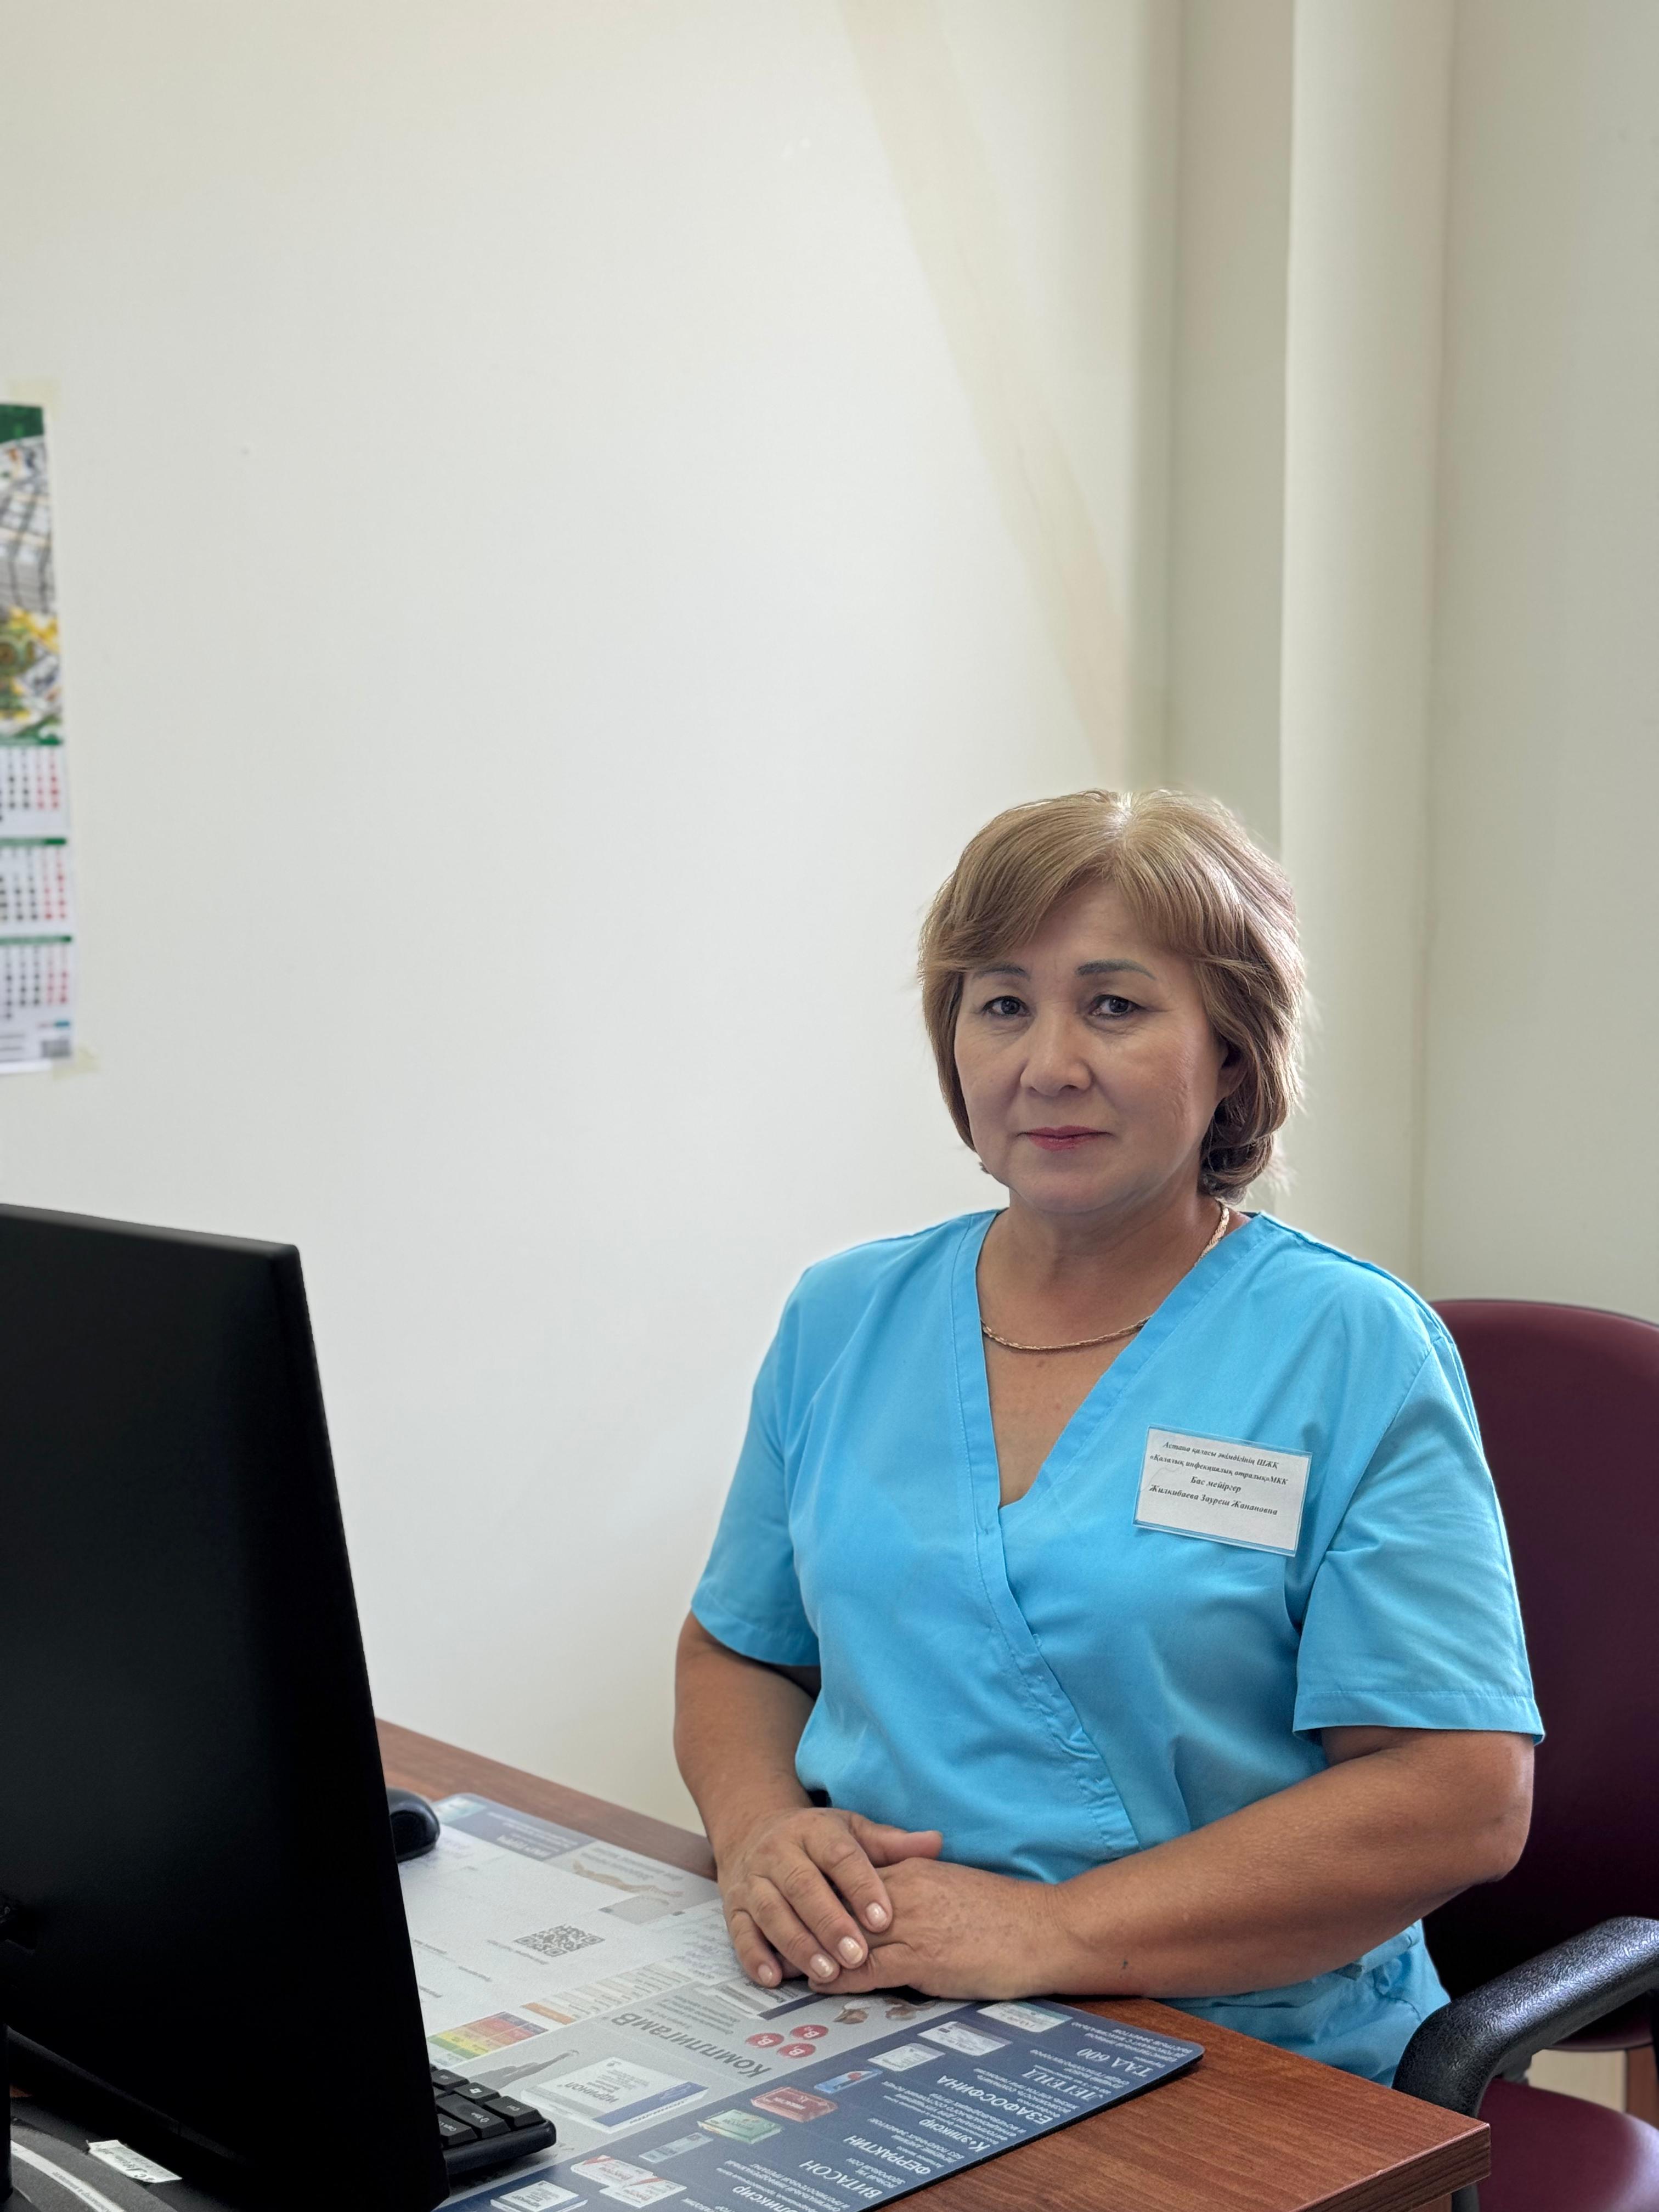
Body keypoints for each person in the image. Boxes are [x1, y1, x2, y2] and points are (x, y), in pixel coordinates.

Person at [674, 788, 1539, 2083]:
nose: (1049, 1065)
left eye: (1116, 1006)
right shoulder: (844, 1315)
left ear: (1232, 1052)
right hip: (885, 1999)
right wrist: (759, 1834)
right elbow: (740, 1649)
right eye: (1002, 1005)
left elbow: (1460, 1796)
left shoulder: (1349, 1346)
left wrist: (1050, 1931)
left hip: (1246, 2047)